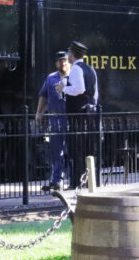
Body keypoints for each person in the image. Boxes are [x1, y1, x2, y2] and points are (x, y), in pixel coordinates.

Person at [61, 40, 99, 185]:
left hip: (78, 115)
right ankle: (90, 181)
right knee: (87, 149)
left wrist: (62, 89)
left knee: (76, 149)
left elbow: (79, 89)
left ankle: (76, 182)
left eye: (69, 53)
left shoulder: (76, 69)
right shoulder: (90, 69)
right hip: (89, 115)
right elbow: (95, 92)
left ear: (71, 55)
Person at [36, 51, 71, 192]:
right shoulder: (50, 79)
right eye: (60, 61)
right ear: (56, 63)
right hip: (55, 117)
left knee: (71, 150)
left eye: (64, 61)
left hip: (70, 117)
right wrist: (39, 112)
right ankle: (56, 179)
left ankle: (73, 179)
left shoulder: (74, 77)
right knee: (56, 150)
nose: (62, 63)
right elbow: (43, 96)